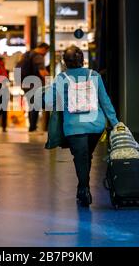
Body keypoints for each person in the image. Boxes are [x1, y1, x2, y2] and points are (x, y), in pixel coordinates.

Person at [44, 46, 119, 207]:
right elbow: (105, 101)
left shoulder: (61, 78)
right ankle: (82, 187)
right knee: (86, 155)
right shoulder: (94, 75)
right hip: (95, 125)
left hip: (73, 127)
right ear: (82, 60)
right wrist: (115, 123)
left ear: (65, 62)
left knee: (81, 157)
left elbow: (48, 101)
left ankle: (84, 188)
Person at [17, 43, 50, 132]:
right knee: (35, 105)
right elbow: (42, 72)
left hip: (25, 83)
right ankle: (32, 127)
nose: (46, 54)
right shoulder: (38, 57)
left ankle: (32, 126)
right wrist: (51, 80)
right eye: (46, 51)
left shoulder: (26, 54)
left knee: (32, 104)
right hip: (34, 84)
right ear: (43, 49)